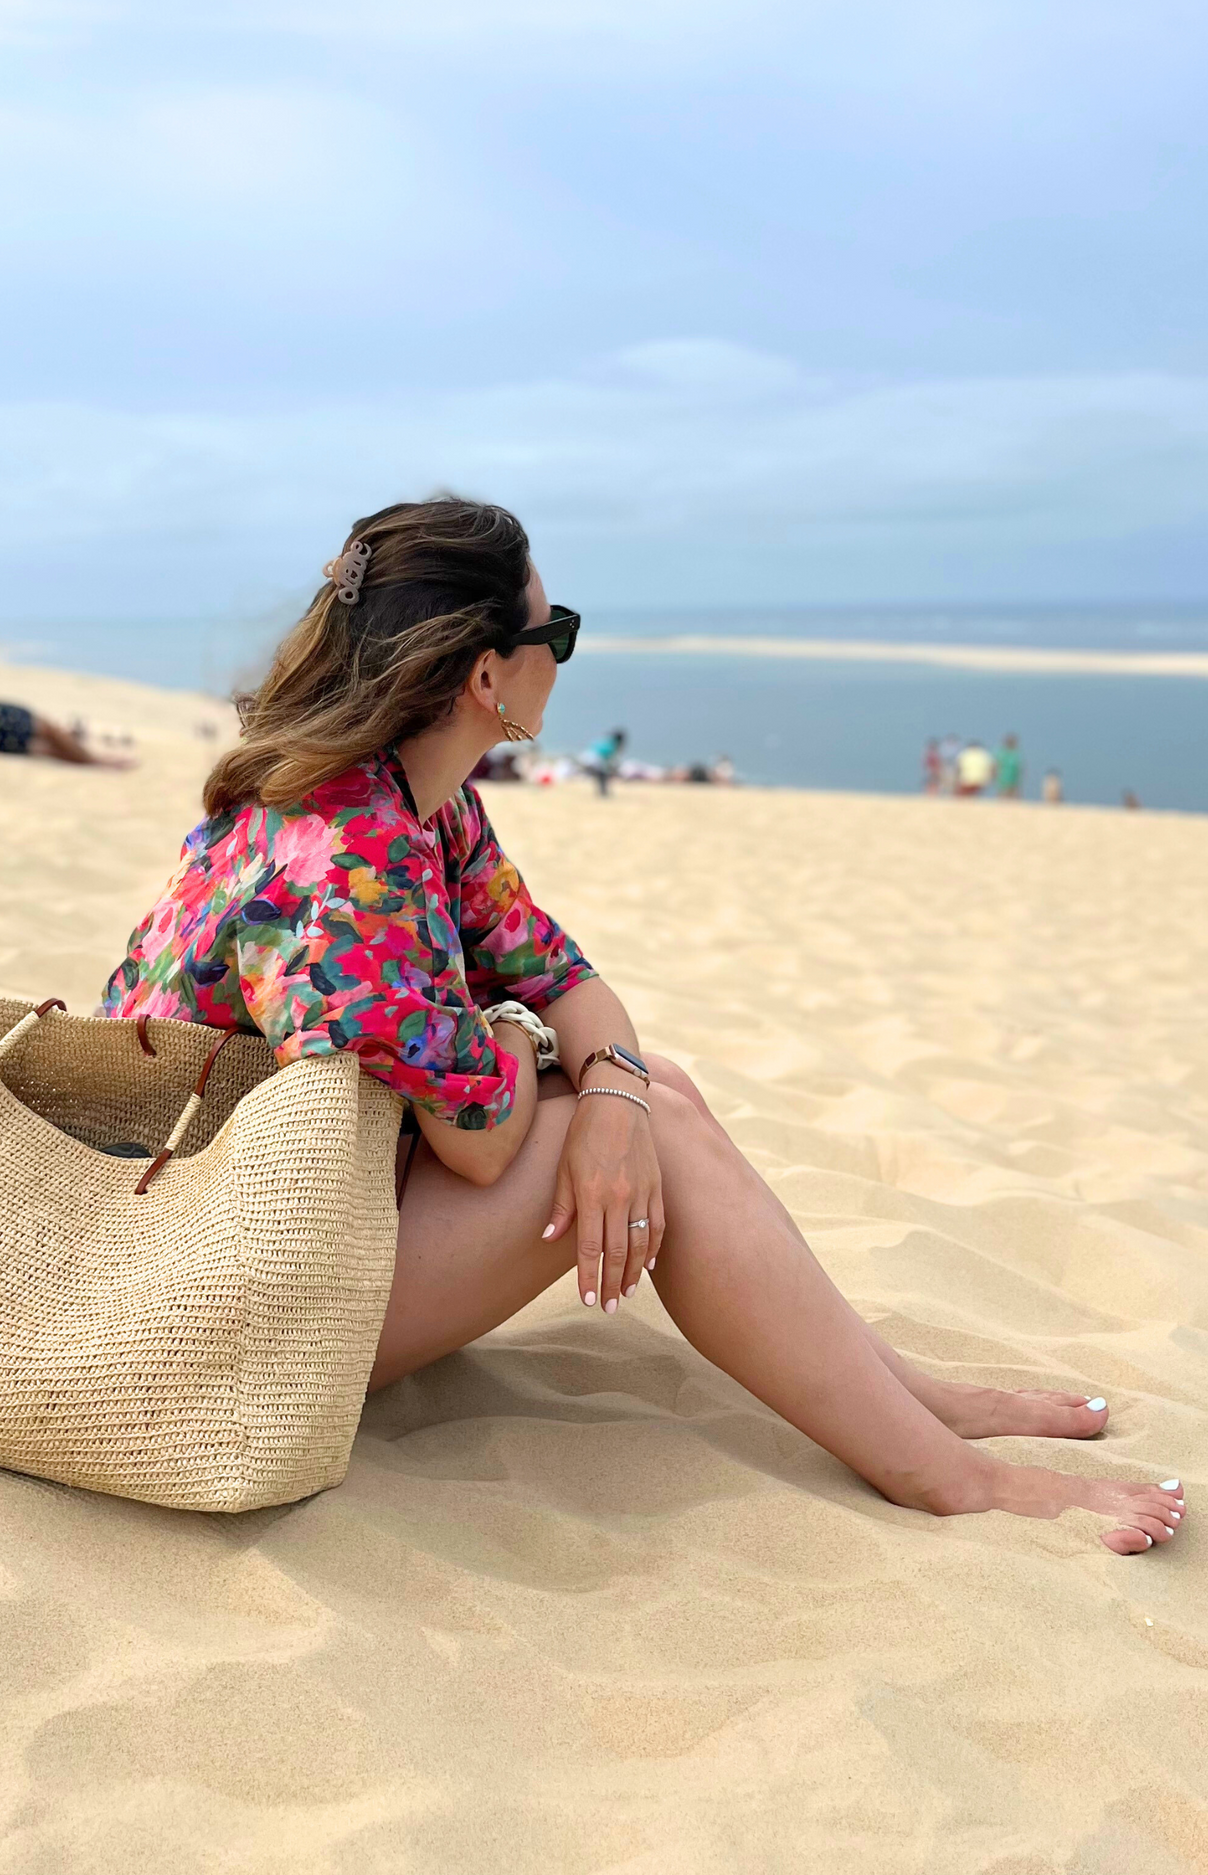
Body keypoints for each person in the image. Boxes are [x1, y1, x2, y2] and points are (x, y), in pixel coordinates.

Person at [99, 496, 1184, 1555]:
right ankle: (946, 1475)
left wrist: (609, 1083)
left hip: (285, 1227)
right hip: (215, 1300)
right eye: (554, 632)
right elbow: (478, 1146)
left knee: (652, 1091)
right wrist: (594, 1092)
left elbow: (572, 982)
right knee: (633, 1116)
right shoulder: (346, 866)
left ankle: (903, 1396)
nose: (564, 653)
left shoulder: (419, 806)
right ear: (490, 675)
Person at [585, 726, 627, 797]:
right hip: (596, 758)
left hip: (588, 755)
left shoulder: (606, 740)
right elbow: (608, 757)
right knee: (603, 775)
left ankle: (602, 791)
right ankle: (603, 792)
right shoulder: (613, 744)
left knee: (601, 776)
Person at [994, 734, 1023, 799]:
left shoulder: (1015, 754)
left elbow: (1019, 769)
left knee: (1013, 801)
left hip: (1012, 782)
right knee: (1003, 800)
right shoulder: (1002, 754)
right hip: (1003, 781)